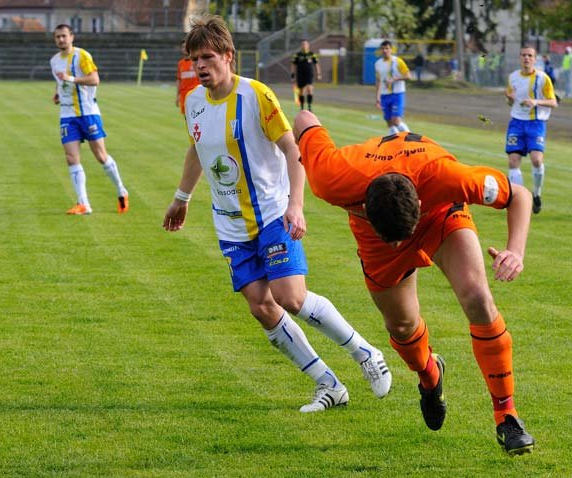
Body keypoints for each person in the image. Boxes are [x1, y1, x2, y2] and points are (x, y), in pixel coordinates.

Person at [163, 14, 391, 413]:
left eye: (207, 57)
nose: (199, 66)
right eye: (194, 59)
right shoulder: (193, 103)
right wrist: (182, 197)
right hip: (231, 223)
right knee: (260, 306)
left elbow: (292, 150)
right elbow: (197, 151)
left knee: (291, 297)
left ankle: (365, 353)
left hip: (271, 212)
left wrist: (295, 204)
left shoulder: (256, 96)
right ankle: (328, 383)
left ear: (229, 56)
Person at [294, 109, 536, 455]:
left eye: (401, 238)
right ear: (361, 204)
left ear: (419, 201)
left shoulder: (448, 177)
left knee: (478, 298)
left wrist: (516, 251)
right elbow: (303, 118)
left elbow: (519, 196)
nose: (400, 246)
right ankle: (429, 375)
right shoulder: (333, 177)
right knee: (403, 326)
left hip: (440, 215)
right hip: (374, 239)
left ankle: (507, 416)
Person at [50, 24, 129, 215]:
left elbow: (94, 79)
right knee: (71, 158)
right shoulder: (53, 61)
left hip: (88, 112)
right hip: (67, 115)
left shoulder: (81, 56)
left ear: (72, 37)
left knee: (101, 156)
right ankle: (83, 203)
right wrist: (58, 93)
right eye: (57, 37)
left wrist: (71, 79)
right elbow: (61, 82)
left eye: (64, 36)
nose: (61, 40)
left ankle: (121, 190)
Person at [505, 46, 557, 214]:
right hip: (516, 122)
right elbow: (510, 102)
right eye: (523, 55)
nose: (526, 58)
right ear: (520, 58)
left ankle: (536, 194)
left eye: (530, 55)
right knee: (513, 161)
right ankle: (520, 200)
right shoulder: (512, 77)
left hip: (536, 123)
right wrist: (509, 98)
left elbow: (553, 102)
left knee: (536, 160)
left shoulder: (542, 78)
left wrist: (536, 102)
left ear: (535, 59)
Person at [375, 40, 411, 135]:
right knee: (389, 122)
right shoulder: (378, 63)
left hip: (397, 93)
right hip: (384, 95)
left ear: (391, 49)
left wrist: (395, 79)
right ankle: (395, 144)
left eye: (387, 48)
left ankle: (410, 138)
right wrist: (377, 97)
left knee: (396, 120)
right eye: (383, 48)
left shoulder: (398, 61)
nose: (385, 50)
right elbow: (378, 81)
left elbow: (408, 75)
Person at [290, 40, 321, 111]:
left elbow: (316, 64)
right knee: (301, 91)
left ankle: (309, 107)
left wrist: (318, 74)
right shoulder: (297, 55)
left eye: (305, 44)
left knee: (310, 89)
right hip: (300, 75)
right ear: (301, 46)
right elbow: (293, 65)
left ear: (308, 45)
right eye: (303, 44)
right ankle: (302, 107)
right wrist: (292, 75)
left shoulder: (312, 54)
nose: (304, 46)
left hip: (309, 75)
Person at [176, 40, 200, 115]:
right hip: (184, 95)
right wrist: (177, 96)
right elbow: (179, 80)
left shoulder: (196, 61)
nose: (185, 48)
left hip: (195, 94)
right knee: (187, 118)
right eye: (183, 47)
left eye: (186, 47)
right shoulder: (180, 64)